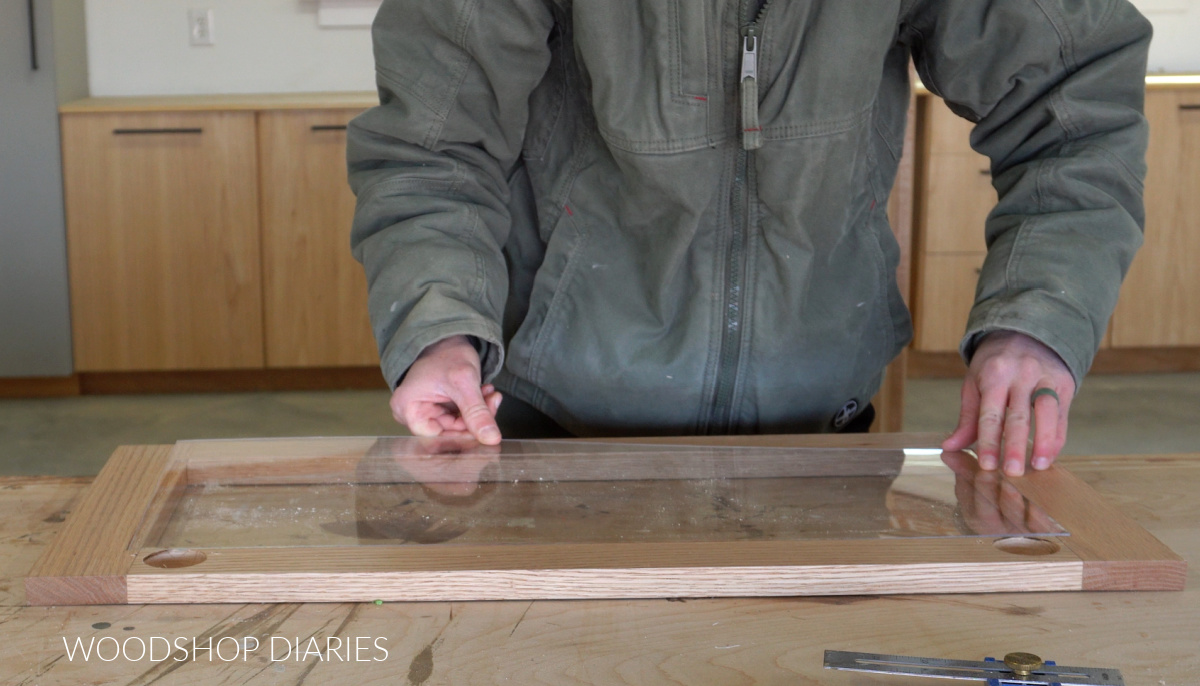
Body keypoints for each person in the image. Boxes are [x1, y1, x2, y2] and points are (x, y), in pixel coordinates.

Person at [347, 1, 1151, 478]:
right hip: (551, 438)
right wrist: (438, 327)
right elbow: (433, 147)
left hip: (823, 444)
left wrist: (1035, 323)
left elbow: (1075, 116)